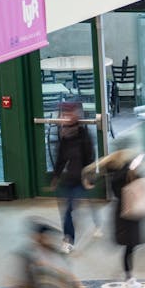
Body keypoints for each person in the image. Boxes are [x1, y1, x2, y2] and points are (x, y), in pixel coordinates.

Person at [84, 134, 145, 288]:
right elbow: (140, 184)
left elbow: (94, 179)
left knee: (129, 245)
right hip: (130, 209)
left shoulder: (111, 166)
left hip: (120, 210)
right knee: (130, 245)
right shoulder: (130, 167)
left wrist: (89, 181)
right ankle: (129, 280)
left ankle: (129, 278)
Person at [52, 102, 96, 253]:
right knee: (68, 210)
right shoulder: (64, 136)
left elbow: (90, 158)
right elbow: (61, 158)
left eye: (71, 113)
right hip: (69, 179)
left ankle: (92, 226)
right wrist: (56, 176)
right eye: (66, 114)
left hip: (81, 178)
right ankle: (68, 239)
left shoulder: (84, 135)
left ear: (77, 115)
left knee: (75, 207)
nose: (68, 116)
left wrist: (89, 178)